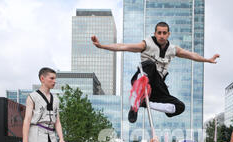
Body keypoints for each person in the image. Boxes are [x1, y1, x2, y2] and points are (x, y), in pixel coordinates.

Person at [91, 21, 220, 123]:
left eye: (164, 33)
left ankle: (145, 103)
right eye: (159, 33)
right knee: (150, 64)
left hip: (157, 87)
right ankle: (138, 96)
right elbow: (123, 46)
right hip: (142, 79)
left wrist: (207, 60)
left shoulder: (173, 49)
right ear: (155, 33)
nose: (162, 36)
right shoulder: (146, 44)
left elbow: (191, 55)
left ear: (168, 34)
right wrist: (102, 46)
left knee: (179, 107)